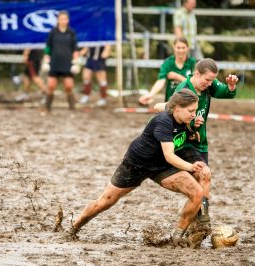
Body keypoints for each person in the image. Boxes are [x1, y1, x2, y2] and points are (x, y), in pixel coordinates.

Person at [66, 89, 209, 242]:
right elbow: (169, 155)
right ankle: (74, 227)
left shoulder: (185, 119)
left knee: (197, 193)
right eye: (191, 111)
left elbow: (173, 144)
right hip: (137, 164)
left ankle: (177, 238)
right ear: (178, 108)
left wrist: (192, 130)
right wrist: (190, 166)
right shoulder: (163, 121)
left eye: (195, 110)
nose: (195, 114)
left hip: (163, 166)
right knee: (105, 202)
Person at [154, 58, 238, 232]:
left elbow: (223, 92)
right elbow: (175, 119)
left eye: (212, 80)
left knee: (204, 178)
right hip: (185, 144)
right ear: (197, 74)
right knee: (195, 188)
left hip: (201, 143)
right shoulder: (183, 90)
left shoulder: (208, 84)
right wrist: (192, 126)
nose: (210, 83)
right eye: (207, 80)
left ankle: (202, 221)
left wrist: (230, 87)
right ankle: (191, 222)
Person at [139, 37, 195, 106]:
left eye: (183, 48)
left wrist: (178, 77)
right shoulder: (168, 63)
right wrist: (150, 94)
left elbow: (195, 84)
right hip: (171, 102)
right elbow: (161, 80)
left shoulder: (193, 62)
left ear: (187, 48)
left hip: (189, 102)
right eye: (178, 47)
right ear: (174, 47)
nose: (181, 50)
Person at [42, 11, 79, 112]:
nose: (63, 21)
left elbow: (75, 49)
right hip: (54, 63)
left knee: (69, 86)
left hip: (67, 64)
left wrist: (76, 63)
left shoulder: (72, 33)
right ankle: (47, 107)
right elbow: (48, 48)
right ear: (58, 20)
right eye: (61, 19)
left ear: (68, 20)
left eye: (65, 19)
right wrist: (46, 61)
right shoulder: (52, 32)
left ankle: (72, 107)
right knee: (51, 86)